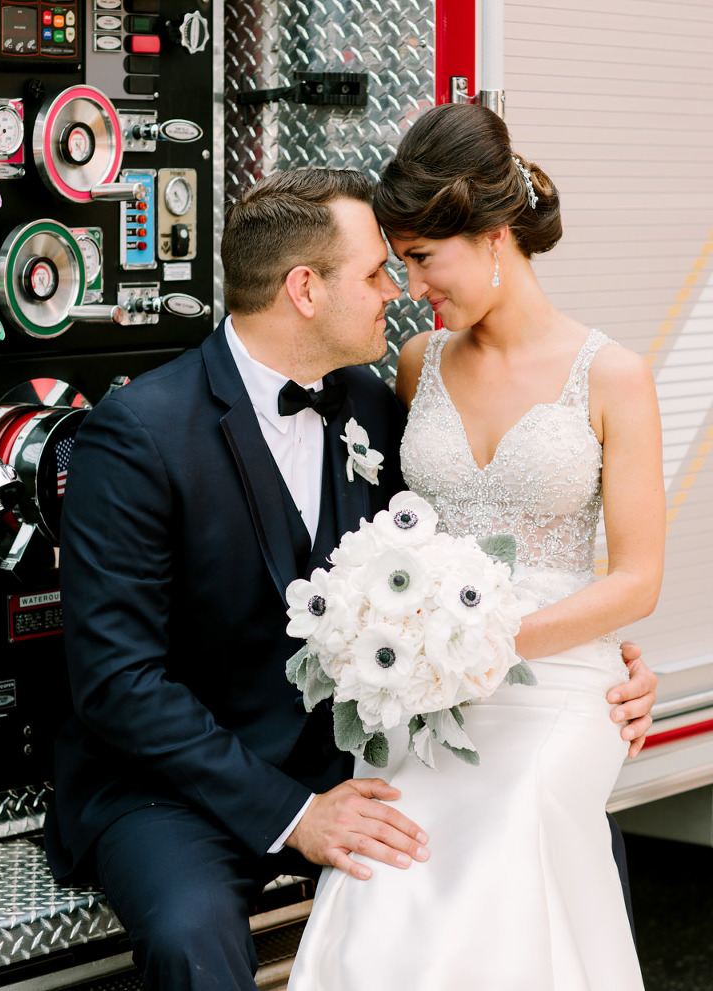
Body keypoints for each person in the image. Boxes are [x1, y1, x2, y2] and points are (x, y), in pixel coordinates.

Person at [43, 166, 657, 991]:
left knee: (551, 832)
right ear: (305, 289)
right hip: (171, 785)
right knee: (193, 935)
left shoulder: (370, 402)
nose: (394, 293)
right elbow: (119, 685)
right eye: (374, 273)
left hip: (349, 754)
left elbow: (461, 558)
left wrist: (609, 658)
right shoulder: (137, 436)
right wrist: (295, 816)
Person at [287, 105, 663, 990]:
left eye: (422, 258)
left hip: (563, 685)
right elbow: (392, 537)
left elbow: (639, 578)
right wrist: (407, 646)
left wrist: (491, 644)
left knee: (516, 821)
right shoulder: (420, 363)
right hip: (425, 691)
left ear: (495, 237)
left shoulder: (612, 376)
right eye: (403, 261)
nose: (413, 284)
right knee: (386, 854)